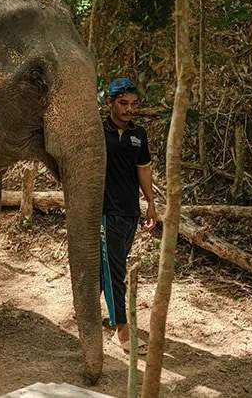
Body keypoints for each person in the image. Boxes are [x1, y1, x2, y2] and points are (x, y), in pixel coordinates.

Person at [100, 77, 158, 354]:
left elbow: (143, 169)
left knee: (110, 266)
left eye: (134, 104)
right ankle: (121, 331)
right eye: (123, 103)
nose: (128, 109)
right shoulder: (97, 131)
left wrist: (150, 203)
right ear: (109, 103)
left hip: (129, 212)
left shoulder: (139, 135)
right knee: (115, 271)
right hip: (104, 212)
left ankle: (89, 311)